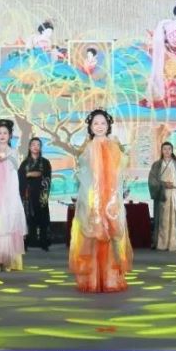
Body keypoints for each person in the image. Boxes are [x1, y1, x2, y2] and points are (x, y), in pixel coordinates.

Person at [68, 109, 132, 293]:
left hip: (110, 198)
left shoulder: (113, 146)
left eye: (103, 123)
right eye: (95, 123)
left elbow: (119, 171)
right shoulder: (87, 148)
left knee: (110, 234)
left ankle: (110, 279)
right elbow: (83, 174)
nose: (99, 126)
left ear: (108, 125)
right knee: (92, 235)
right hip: (92, 197)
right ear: (90, 126)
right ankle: (93, 278)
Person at [0, 119, 27, 271]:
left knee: (8, 222)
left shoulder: (13, 152)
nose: (2, 135)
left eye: (5, 133)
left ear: (10, 135)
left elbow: (15, 168)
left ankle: (8, 260)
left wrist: (6, 158)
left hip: (8, 192)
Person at [148, 142, 176, 251]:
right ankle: (162, 243)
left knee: (174, 218)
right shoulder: (157, 165)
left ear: (172, 150)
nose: (167, 151)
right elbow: (152, 180)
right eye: (164, 149)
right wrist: (164, 184)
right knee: (163, 219)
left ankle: (174, 243)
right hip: (162, 194)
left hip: (173, 194)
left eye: (169, 149)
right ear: (161, 151)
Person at [18, 137, 52, 251]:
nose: (36, 147)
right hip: (28, 195)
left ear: (41, 148)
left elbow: (47, 177)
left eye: (38, 145)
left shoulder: (45, 162)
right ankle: (27, 242)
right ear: (29, 147)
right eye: (33, 145)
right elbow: (21, 177)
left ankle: (44, 242)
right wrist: (30, 174)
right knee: (27, 218)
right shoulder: (25, 163)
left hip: (41, 194)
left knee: (43, 218)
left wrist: (33, 175)